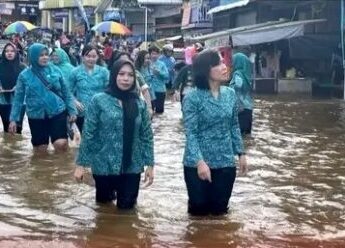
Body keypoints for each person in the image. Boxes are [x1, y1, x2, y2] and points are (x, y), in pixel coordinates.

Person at [74, 59, 154, 209]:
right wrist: (81, 164)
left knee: (128, 212)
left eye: (130, 75)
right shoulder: (99, 101)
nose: (126, 78)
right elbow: (89, 134)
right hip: (104, 165)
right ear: (113, 75)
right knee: (104, 211)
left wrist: (150, 164)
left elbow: (146, 135)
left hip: (132, 165)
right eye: (121, 74)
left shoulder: (139, 103)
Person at [182, 49, 248, 216]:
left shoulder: (230, 94)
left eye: (224, 62)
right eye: (218, 63)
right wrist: (199, 162)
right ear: (206, 69)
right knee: (198, 215)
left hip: (225, 162)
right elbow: (191, 133)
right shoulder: (192, 98)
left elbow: (233, 125)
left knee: (220, 214)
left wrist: (240, 153)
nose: (224, 66)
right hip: (197, 165)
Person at [8, 43, 77, 152]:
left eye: (46, 54)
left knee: (61, 144)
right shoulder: (24, 75)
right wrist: (13, 119)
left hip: (57, 111)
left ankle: (64, 168)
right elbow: (18, 99)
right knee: (41, 150)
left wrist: (72, 110)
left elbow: (66, 92)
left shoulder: (55, 70)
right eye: (41, 55)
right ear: (33, 56)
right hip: (36, 115)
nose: (45, 57)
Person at [68, 45, 109, 133]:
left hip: (100, 111)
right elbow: (67, 91)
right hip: (82, 112)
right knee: (85, 138)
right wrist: (74, 101)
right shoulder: (75, 72)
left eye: (94, 56)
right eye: (88, 56)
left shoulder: (104, 72)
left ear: (98, 57)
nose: (91, 59)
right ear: (83, 57)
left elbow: (109, 90)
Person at [112, 52, 153, 117]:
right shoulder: (111, 74)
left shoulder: (136, 74)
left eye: (126, 61)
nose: (126, 78)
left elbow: (145, 90)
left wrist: (149, 108)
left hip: (135, 106)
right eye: (121, 74)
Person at [0, 42, 26, 134]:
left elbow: (29, 83)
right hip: (3, 101)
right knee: (7, 130)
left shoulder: (22, 67)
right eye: (7, 51)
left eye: (12, 51)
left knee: (17, 130)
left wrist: (19, 87)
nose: (9, 53)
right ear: (3, 53)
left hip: (19, 102)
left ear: (16, 53)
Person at [229, 53, 253, 135]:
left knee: (240, 136)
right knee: (247, 135)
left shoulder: (237, 73)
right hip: (248, 108)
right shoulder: (247, 74)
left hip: (240, 108)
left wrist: (228, 90)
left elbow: (238, 84)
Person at [140, 46, 169, 114]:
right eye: (153, 53)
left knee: (159, 111)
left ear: (159, 54)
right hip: (149, 91)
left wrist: (160, 73)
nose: (154, 56)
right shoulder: (145, 64)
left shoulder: (162, 64)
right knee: (149, 111)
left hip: (160, 90)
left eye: (156, 54)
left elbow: (167, 76)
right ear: (149, 54)